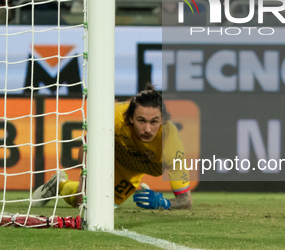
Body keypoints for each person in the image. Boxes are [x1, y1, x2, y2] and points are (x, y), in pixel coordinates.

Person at [32, 85, 192, 210]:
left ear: (163, 120)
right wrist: (88, 180)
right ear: (130, 118)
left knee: (99, 205)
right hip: (108, 156)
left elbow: (186, 200)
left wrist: (163, 203)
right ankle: (60, 187)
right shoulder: (114, 116)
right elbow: (85, 148)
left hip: (129, 174)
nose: (148, 129)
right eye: (141, 121)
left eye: (154, 122)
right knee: (86, 203)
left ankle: (60, 184)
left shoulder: (171, 142)